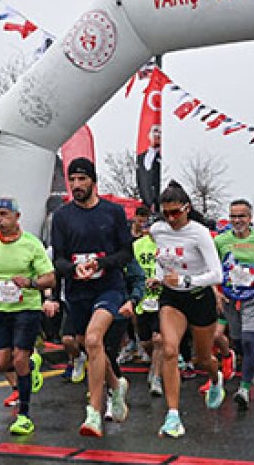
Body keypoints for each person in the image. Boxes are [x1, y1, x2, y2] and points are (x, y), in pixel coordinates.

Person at [49, 157, 133, 437]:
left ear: (93, 181)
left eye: (82, 179)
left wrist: (100, 263)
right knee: (87, 345)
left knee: (95, 339)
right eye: (72, 180)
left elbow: (126, 254)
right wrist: (73, 269)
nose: (76, 185)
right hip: (78, 291)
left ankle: (94, 412)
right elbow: (58, 259)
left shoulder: (113, 213)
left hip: (109, 287)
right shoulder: (61, 217)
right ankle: (116, 384)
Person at [149, 182, 227, 438]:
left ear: (187, 209)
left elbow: (217, 274)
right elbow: (164, 261)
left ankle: (216, 379)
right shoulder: (157, 230)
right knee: (169, 350)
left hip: (198, 296)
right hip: (172, 299)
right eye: (165, 213)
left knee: (202, 359)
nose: (170, 219)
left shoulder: (199, 233)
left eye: (175, 213)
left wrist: (187, 281)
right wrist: (158, 277)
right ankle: (173, 416)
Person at [0, 197, 56, 435]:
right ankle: (32, 365)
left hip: (26, 309)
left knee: (18, 359)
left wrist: (30, 282)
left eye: (3, 215)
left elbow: (50, 277)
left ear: (17, 217)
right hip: (1, 310)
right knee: (0, 363)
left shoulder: (32, 244)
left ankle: (24, 415)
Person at [213, 198, 254, 409]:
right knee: (237, 341)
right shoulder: (220, 241)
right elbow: (212, 268)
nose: (237, 220)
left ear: (250, 217)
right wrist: (216, 292)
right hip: (230, 297)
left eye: (241, 216)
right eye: (233, 216)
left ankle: (244, 389)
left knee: (248, 339)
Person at [133, 221, 164, 396]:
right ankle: (155, 362)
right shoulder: (138, 245)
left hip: (163, 297)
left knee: (159, 339)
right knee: (146, 341)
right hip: (143, 299)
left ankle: (157, 377)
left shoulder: (168, 245)